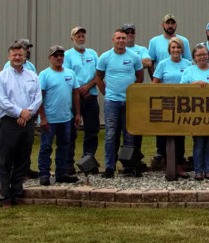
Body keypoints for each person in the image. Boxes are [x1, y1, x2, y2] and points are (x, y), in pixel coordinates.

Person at [0, 42, 43, 207]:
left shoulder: (32, 75)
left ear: (24, 57)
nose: (17, 57)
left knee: (23, 159)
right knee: (7, 160)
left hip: (28, 122)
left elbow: (37, 98)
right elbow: (1, 100)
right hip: (9, 122)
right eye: (14, 55)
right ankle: (5, 197)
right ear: (9, 57)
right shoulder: (1, 77)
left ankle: (16, 191)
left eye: (20, 55)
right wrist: (19, 112)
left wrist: (28, 113)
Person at [95, 29, 145, 178]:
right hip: (112, 101)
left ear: (127, 39)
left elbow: (140, 77)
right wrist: (107, 93)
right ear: (113, 40)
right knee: (110, 134)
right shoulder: (105, 57)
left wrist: (130, 92)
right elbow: (98, 77)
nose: (121, 41)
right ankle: (109, 167)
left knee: (129, 134)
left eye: (123, 38)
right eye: (118, 38)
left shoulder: (134, 57)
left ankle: (128, 166)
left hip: (129, 101)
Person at [36, 45, 81, 186]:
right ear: (50, 58)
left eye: (61, 55)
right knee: (46, 147)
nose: (59, 58)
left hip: (66, 118)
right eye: (56, 55)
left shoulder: (70, 73)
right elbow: (39, 97)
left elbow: (76, 93)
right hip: (49, 119)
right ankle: (44, 173)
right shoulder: (44, 75)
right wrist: (42, 117)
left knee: (64, 146)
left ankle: (61, 173)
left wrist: (78, 113)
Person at [181, 45, 209, 180]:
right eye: (199, 55)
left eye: (204, 54)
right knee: (199, 142)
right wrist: (193, 84)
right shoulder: (188, 71)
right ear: (194, 57)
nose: (202, 57)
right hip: (195, 113)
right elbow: (180, 89)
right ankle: (198, 170)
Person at [152, 37, 193, 178]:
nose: (176, 50)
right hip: (166, 105)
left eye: (178, 47)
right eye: (173, 48)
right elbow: (155, 84)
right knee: (165, 136)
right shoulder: (162, 64)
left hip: (182, 105)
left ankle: (180, 166)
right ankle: (167, 165)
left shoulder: (188, 64)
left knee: (180, 137)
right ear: (169, 50)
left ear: (182, 49)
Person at [63, 26, 101, 170]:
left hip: (91, 95)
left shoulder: (92, 53)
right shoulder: (67, 55)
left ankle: (88, 161)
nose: (81, 38)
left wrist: (88, 86)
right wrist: (80, 88)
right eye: (77, 36)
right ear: (72, 38)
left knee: (92, 130)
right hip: (74, 96)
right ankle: (68, 164)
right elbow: (67, 75)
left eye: (83, 35)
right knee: (71, 130)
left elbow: (98, 74)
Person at [122, 24, 154, 164]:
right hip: (120, 95)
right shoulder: (117, 50)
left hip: (136, 95)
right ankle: (124, 160)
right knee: (120, 130)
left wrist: (128, 62)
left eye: (132, 32)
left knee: (137, 128)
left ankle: (136, 159)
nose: (129, 35)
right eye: (126, 32)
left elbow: (148, 62)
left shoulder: (141, 49)